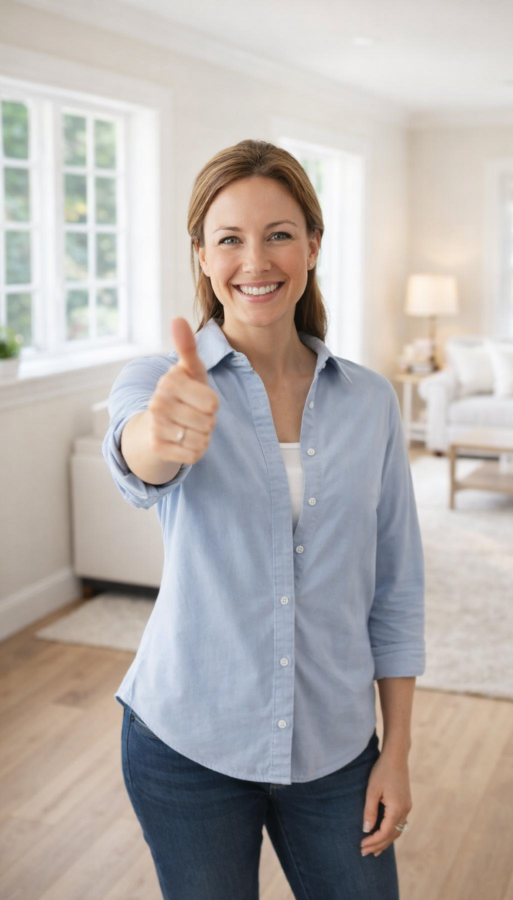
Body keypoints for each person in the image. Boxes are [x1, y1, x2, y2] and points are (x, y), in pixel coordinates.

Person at [102, 138, 426, 900]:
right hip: (186, 746)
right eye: (230, 239)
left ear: (313, 244)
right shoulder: (160, 383)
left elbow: (397, 587)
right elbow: (137, 457)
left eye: (279, 233)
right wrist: (160, 435)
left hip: (337, 752)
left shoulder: (371, 401)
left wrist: (398, 749)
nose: (257, 260)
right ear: (203, 256)